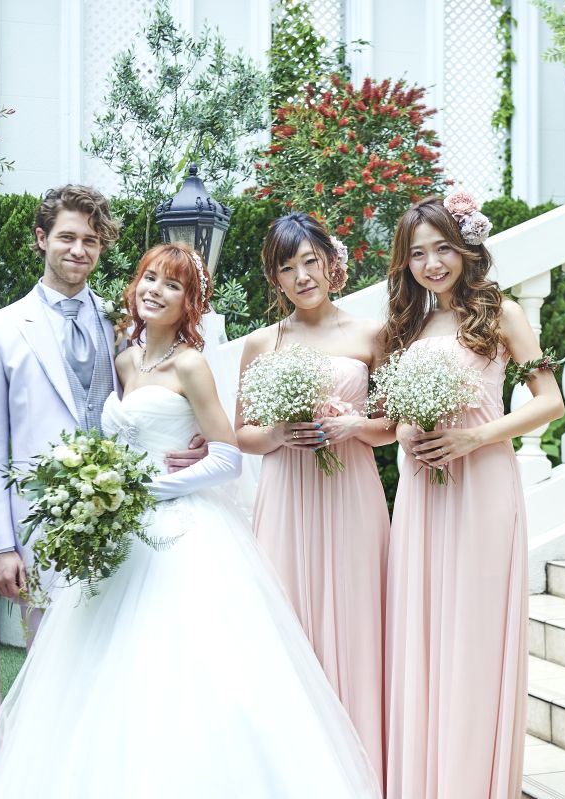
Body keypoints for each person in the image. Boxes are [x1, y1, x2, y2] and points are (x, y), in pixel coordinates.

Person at [0, 243, 380, 798]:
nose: (156, 291)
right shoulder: (125, 360)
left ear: (189, 301)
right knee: (108, 672)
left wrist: (144, 490)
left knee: (186, 666)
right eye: (150, 278)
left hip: (183, 532)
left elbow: (226, 457)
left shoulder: (190, 365)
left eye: (172, 285)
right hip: (124, 534)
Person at [383, 195, 564, 799]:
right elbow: (394, 413)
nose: (432, 264)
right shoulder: (408, 326)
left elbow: (551, 402)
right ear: (405, 263)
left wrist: (475, 437)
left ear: (465, 249)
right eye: (418, 254)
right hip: (421, 489)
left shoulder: (502, 313)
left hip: (482, 482)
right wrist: (408, 432)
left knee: (474, 632)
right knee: (423, 630)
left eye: (443, 249)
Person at [0, 185, 202, 634]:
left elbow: (164, 391)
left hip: (127, 524)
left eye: (90, 241)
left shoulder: (126, 320)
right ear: (42, 239)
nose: (79, 250)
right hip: (42, 526)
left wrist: (197, 440)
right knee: (49, 658)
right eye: (67, 237)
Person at [235, 212, 391, 780]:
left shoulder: (371, 335)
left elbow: (393, 426)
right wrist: (279, 433)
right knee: (288, 622)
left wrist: (354, 425)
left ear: (330, 263)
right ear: (275, 278)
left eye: (309, 261)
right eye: (287, 268)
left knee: (356, 618)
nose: (301, 276)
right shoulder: (263, 343)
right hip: (287, 497)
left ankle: (361, 770)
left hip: (351, 492)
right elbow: (242, 434)